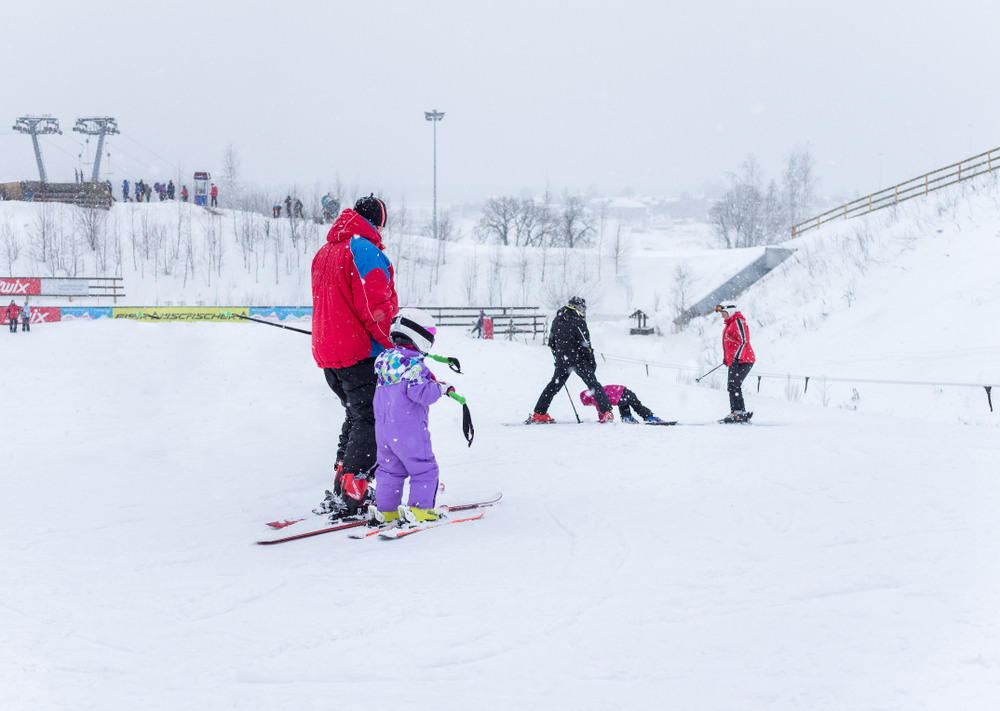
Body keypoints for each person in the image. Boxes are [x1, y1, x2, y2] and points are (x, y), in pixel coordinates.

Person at [311, 194, 398, 520]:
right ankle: (354, 488)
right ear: (376, 222)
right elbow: (376, 309)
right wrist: (394, 345)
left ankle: (343, 478)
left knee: (357, 414)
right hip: (358, 353)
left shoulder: (326, 251)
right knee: (373, 419)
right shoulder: (364, 251)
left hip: (329, 354)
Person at [366, 308, 453, 526]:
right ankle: (421, 510)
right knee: (424, 468)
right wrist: (440, 389)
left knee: (389, 470)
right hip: (409, 431)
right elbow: (420, 394)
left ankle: (387, 511)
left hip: (384, 431)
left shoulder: (385, 361)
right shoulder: (414, 365)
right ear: (421, 337)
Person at [527, 296, 614, 423]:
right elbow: (586, 344)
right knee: (593, 385)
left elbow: (551, 343)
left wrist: (559, 357)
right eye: (583, 308)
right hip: (579, 361)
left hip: (563, 361)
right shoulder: (578, 320)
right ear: (579, 307)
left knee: (553, 386)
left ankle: (539, 413)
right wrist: (591, 362)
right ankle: (606, 412)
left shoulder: (557, 320)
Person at [716, 301, 755, 423]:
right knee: (732, 385)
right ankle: (737, 412)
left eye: (723, 312)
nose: (722, 315)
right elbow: (732, 343)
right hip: (735, 360)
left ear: (730, 311)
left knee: (734, 385)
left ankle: (739, 413)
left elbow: (744, 341)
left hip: (744, 360)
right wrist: (727, 358)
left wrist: (736, 359)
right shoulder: (730, 324)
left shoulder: (738, 322)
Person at [580, 385, 663, 423]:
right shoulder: (597, 391)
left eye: (589, 404)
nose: (591, 405)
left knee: (637, 407)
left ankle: (650, 417)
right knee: (623, 405)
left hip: (624, 394)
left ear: (588, 400)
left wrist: (602, 420)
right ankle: (627, 417)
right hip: (624, 394)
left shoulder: (596, 397)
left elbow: (601, 409)